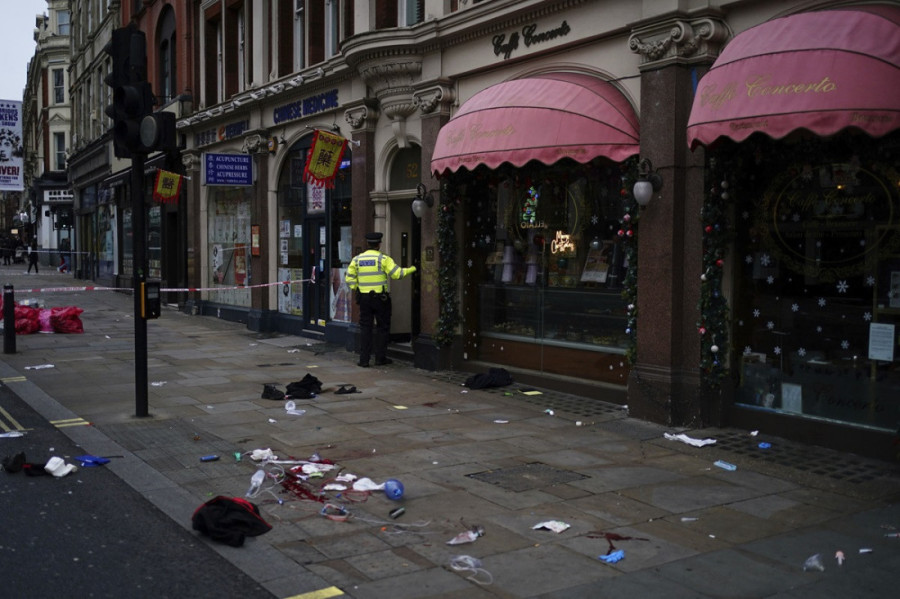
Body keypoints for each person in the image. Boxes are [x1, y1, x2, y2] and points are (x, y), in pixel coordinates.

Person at [345, 232, 416, 367]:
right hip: (380, 299)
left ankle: (364, 360)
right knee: (382, 328)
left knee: (365, 328)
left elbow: (349, 278)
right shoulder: (383, 259)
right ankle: (380, 358)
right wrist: (412, 269)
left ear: (367, 244)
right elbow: (397, 274)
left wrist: (358, 288)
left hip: (364, 299)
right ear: (379, 244)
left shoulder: (357, 259)